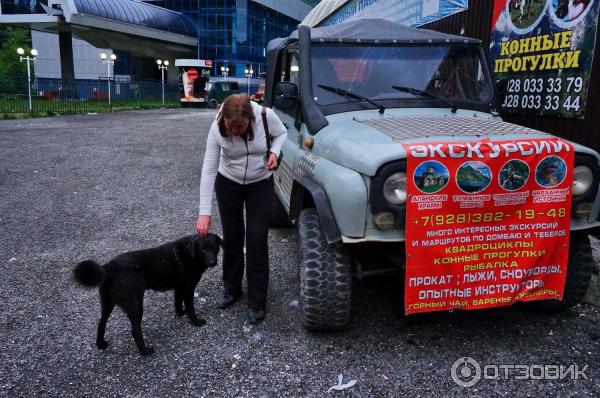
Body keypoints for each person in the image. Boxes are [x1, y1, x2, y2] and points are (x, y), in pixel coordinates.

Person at [196, 94, 287, 324]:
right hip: (228, 183)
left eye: (240, 126)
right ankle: (232, 289)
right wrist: (204, 212)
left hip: (260, 183)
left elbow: (282, 134)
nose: (234, 131)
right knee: (233, 237)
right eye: (230, 126)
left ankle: (257, 300)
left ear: (251, 119)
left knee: (257, 239)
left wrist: (274, 153)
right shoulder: (217, 127)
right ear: (223, 118)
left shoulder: (266, 116)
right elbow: (209, 168)